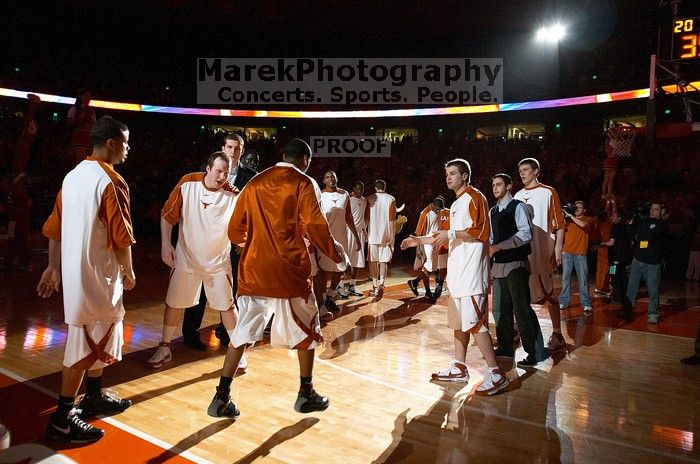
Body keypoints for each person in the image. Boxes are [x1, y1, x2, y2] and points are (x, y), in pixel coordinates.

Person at [207, 138, 346, 418]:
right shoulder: (304, 183)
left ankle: (221, 396)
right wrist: (336, 252)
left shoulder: (254, 183)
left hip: (254, 270)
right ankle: (305, 393)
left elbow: (235, 229)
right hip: (289, 272)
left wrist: (252, 244)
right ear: (305, 160)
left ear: (283, 155)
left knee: (242, 333)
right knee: (308, 329)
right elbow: (317, 226)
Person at [37, 116, 135, 443]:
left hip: (78, 276)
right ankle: (63, 419)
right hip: (98, 278)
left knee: (98, 339)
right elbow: (122, 238)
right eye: (125, 142)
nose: (127, 148)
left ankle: (93, 396)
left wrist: (53, 267)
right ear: (111, 143)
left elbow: (54, 228)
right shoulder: (112, 181)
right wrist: (130, 271)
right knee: (81, 348)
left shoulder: (72, 176)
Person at [401, 159, 509, 396]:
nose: (448, 177)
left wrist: (448, 233)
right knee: (460, 323)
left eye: (453, 173)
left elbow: (480, 231)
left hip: (471, 274)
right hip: (458, 275)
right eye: (446, 174)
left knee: (476, 323)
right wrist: (417, 240)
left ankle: (495, 372)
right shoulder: (457, 203)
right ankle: (459, 367)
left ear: (465, 176)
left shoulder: (475, 197)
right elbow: (445, 236)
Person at [147, 152, 245, 371]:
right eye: (219, 171)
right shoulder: (187, 182)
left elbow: (243, 228)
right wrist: (166, 244)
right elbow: (167, 215)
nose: (222, 177)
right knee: (173, 303)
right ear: (208, 168)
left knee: (228, 307)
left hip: (218, 263)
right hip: (186, 259)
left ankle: (239, 351)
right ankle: (164, 347)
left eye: (226, 173)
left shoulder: (233, 195)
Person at [181, 132, 257, 349]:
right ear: (223, 148)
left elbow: (251, 210)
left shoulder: (251, 176)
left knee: (232, 289)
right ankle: (190, 333)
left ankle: (226, 332)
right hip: (207, 239)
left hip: (233, 242)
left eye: (237, 148)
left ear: (242, 151)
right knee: (201, 287)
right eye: (230, 147)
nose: (233, 152)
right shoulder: (204, 171)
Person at [488, 173, 549, 367]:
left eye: (499, 184)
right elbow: (491, 238)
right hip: (498, 265)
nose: (495, 188)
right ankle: (506, 347)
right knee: (499, 308)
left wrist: (499, 246)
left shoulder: (518, 206)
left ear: (508, 186)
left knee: (521, 309)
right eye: (493, 185)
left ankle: (536, 351)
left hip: (516, 263)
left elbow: (525, 234)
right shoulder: (492, 211)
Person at [513, 158, 567, 352]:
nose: (522, 173)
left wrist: (558, 248)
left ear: (536, 171)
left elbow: (560, 224)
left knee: (548, 292)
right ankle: (517, 331)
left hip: (542, 250)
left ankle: (557, 333)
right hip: (522, 251)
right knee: (518, 292)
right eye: (520, 170)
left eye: (526, 169)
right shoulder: (517, 195)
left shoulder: (548, 192)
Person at [314, 171, 360, 313]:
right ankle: (321, 301)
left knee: (340, 270)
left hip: (341, 236)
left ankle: (329, 297)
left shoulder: (345, 194)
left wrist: (357, 238)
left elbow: (349, 218)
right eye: (327, 177)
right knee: (323, 271)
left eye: (333, 176)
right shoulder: (319, 195)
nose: (331, 179)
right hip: (325, 237)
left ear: (336, 178)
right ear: (323, 180)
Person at [616, 203, 668, 323]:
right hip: (638, 260)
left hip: (653, 262)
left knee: (653, 289)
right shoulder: (644, 221)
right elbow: (634, 234)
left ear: (662, 212)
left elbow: (648, 236)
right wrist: (631, 227)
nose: (652, 211)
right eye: (651, 209)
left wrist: (639, 234)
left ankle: (653, 313)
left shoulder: (663, 225)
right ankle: (628, 310)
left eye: (656, 209)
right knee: (632, 287)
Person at [408, 196, 448, 302]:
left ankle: (415, 282)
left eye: (440, 209)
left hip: (437, 243)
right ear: (433, 205)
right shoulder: (425, 213)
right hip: (426, 243)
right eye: (437, 209)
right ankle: (427, 291)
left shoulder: (442, 212)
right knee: (426, 268)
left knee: (435, 268)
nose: (439, 211)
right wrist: (419, 248)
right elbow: (418, 232)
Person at [559, 201, 594, 315]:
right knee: (565, 279)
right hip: (567, 253)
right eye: (576, 207)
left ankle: (586, 304)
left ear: (584, 210)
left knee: (583, 280)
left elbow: (583, 225)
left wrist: (570, 216)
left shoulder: (588, 219)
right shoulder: (567, 220)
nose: (577, 209)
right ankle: (564, 301)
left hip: (580, 254)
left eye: (580, 207)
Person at [366, 180, 396, 302]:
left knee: (373, 261)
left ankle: (374, 284)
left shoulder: (369, 198)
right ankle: (382, 282)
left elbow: (366, 218)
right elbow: (392, 219)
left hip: (372, 234)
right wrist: (392, 235)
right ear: (385, 187)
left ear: (375, 187)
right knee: (384, 260)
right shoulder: (391, 199)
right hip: (385, 234)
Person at [339, 181, 368, 297]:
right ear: (353, 189)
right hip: (348, 233)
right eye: (357, 188)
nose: (360, 190)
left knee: (358, 260)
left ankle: (352, 285)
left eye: (361, 189)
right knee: (346, 260)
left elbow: (363, 218)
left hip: (359, 234)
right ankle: (340, 285)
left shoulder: (364, 200)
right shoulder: (348, 199)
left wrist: (364, 231)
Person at [66, 89, 96, 165]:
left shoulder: (91, 111)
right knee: (79, 163)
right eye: (86, 96)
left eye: (89, 96)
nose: (88, 98)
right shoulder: (74, 109)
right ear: (80, 97)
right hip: (79, 139)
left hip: (89, 140)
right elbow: (69, 122)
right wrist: (80, 119)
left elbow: (94, 125)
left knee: (88, 163)